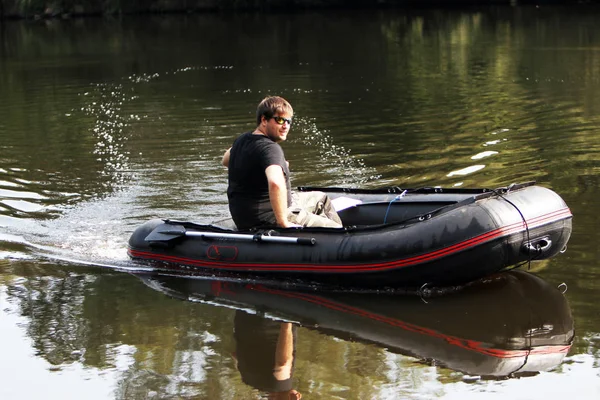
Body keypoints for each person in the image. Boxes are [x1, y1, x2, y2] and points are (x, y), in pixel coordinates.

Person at [222, 96, 342, 230]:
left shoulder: (242, 140)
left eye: (288, 121)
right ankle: (334, 240)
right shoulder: (270, 148)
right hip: (269, 218)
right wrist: (283, 222)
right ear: (264, 120)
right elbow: (275, 183)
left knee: (321, 198)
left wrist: (261, 167)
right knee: (336, 229)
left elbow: (226, 160)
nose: (285, 126)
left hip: (243, 217)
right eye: (279, 120)